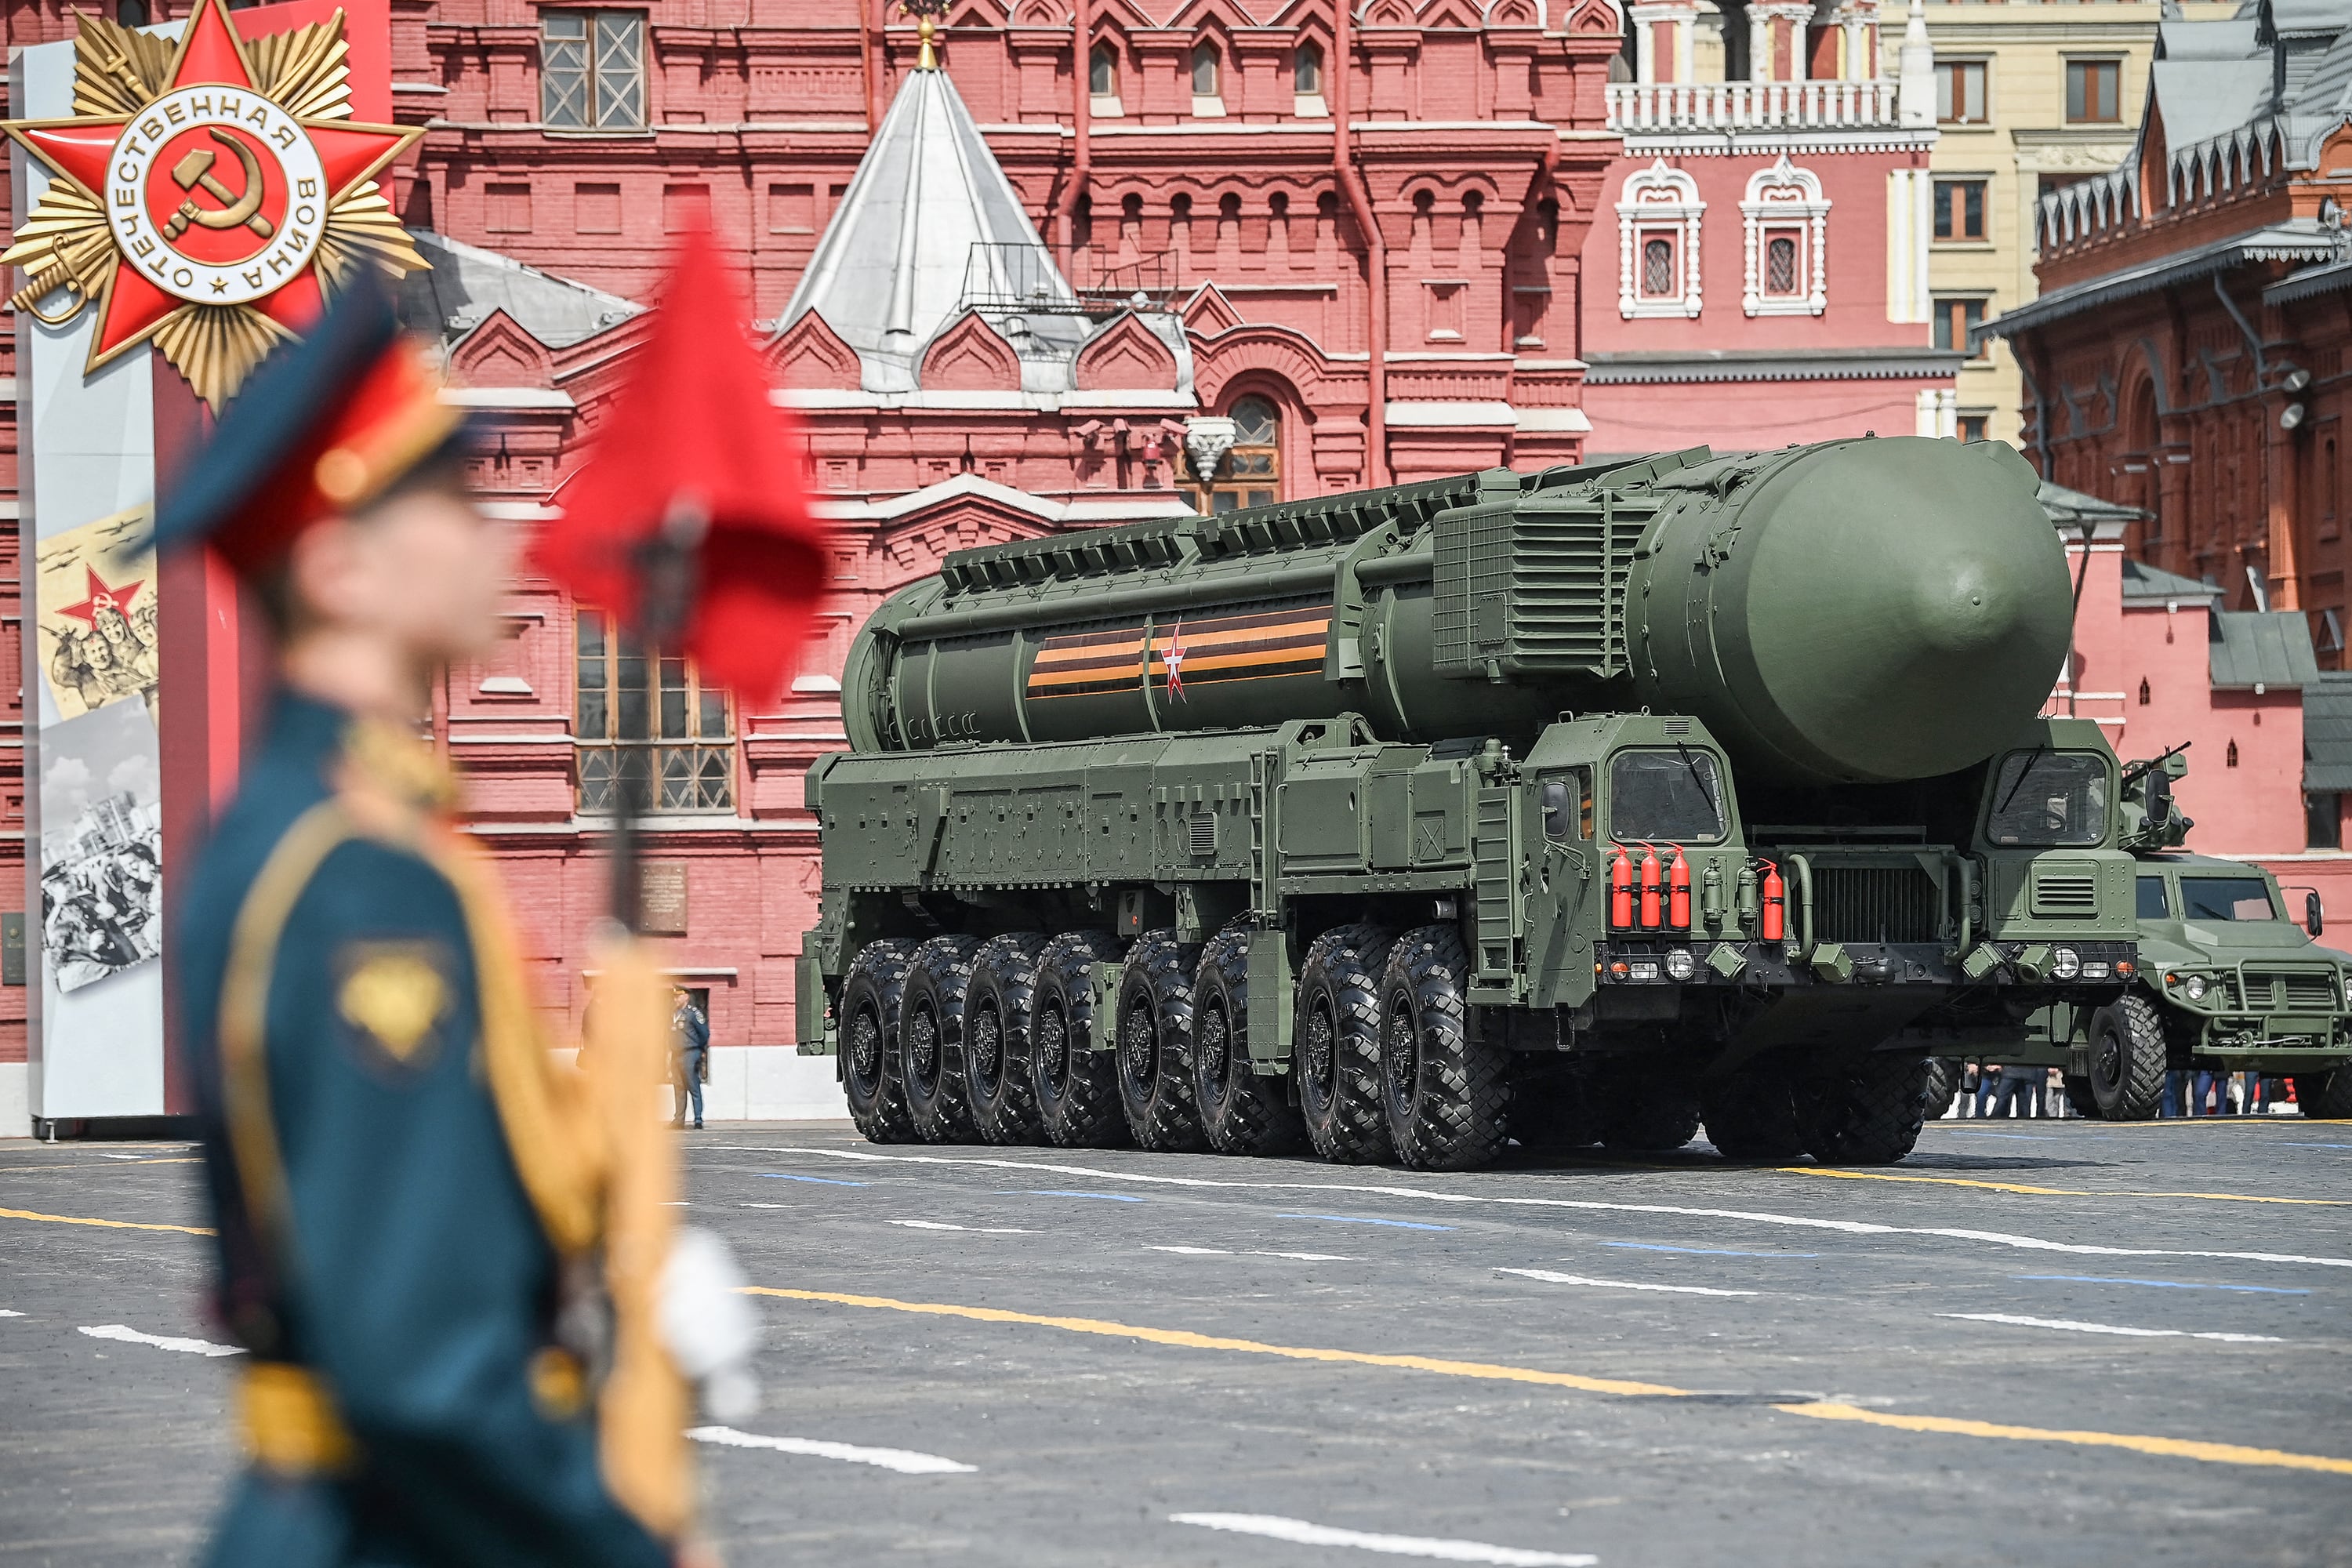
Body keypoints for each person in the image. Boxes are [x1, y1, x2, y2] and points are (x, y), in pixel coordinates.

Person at [160, 286, 686, 1568]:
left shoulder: (313, 832)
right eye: (448, 505)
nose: (491, 535)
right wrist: (629, 1549)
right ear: (340, 570)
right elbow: (422, 1364)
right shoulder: (360, 879)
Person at [670, 989, 710, 1130]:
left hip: (690, 1053)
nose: (675, 999)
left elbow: (704, 1033)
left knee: (693, 1087)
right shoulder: (673, 1014)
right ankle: (678, 1120)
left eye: (678, 996)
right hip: (676, 1054)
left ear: (686, 997)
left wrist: (699, 1050)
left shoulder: (693, 1013)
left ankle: (698, 1119)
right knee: (679, 1088)